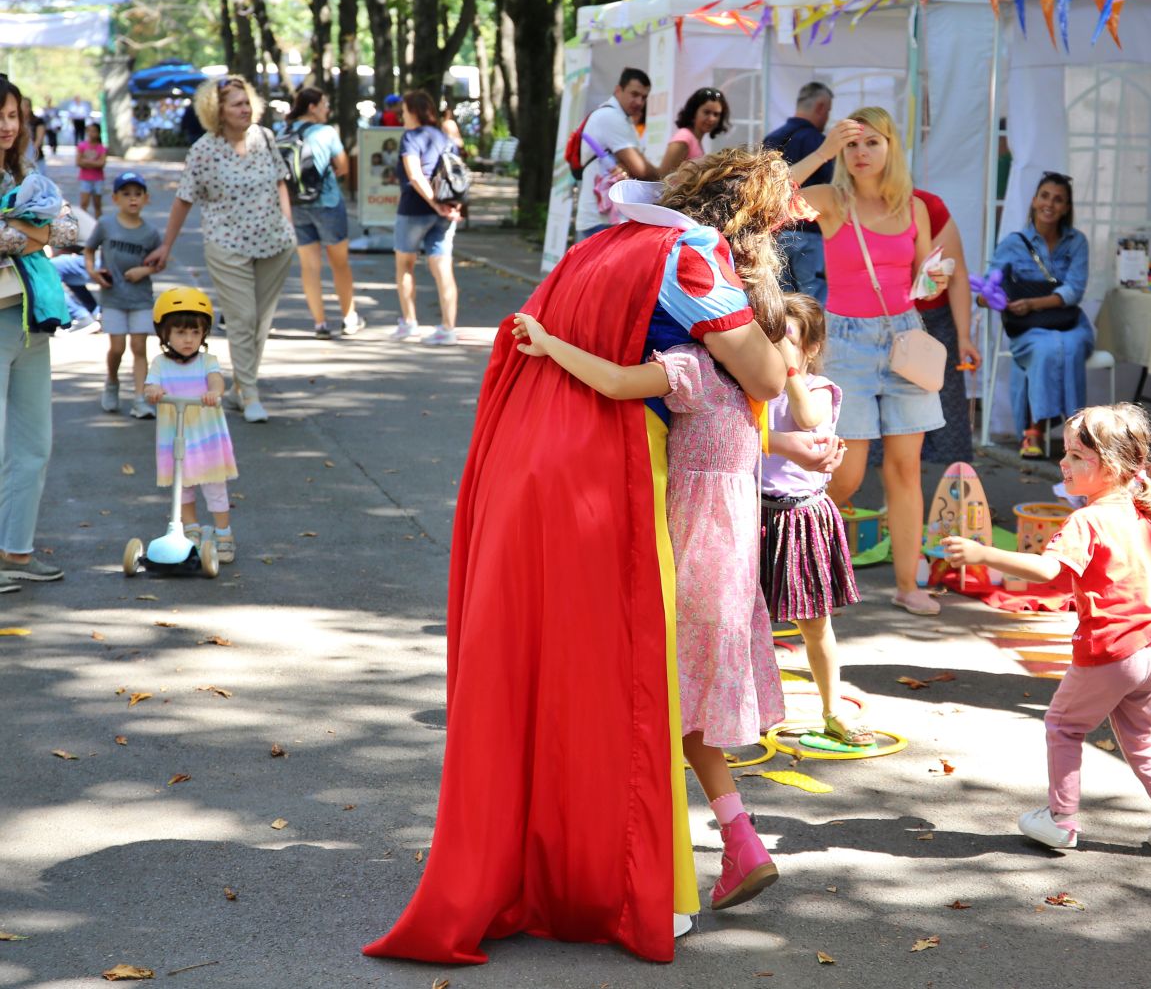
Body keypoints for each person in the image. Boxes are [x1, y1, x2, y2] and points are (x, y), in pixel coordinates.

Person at [361, 150, 840, 965]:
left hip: (568, 480)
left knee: (611, 690)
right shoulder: (690, 257)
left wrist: (548, 346)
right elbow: (759, 375)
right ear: (743, 224)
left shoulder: (607, 244)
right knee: (644, 696)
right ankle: (643, 879)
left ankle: (657, 858)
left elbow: (674, 387)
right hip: (650, 506)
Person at [508, 264, 788, 913]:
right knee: (689, 719)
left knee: (663, 708)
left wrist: (550, 343)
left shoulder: (690, 366)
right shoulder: (751, 394)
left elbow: (613, 383)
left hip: (694, 558)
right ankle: (739, 841)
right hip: (734, 561)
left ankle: (695, 852)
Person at [943, 403, 1151, 859]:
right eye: (1064, 452)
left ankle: (1061, 820)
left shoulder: (1087, 520)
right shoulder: (1138, 510)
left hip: (1112, 650)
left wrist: (984, 554)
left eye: (1077, 456)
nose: (1063, 463)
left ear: (1114, 465)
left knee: (1063, 726)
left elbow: (1047, 570)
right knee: (1142, 741)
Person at [789, 106, 947, 617]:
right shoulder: (831, 201)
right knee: (846, 475)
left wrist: (933, 282)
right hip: (848, 343)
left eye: (871, 142)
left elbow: (924, 277)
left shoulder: (914, 208)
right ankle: (797, 559)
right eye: (852, 144)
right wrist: (821, 151)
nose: (861, 153)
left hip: (905, 338)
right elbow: (763, 203)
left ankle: (907, 584)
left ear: (891, 147)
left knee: (905, 469)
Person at [145, 74, 297, 425]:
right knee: (242, 318)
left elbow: (280, 182)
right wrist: (166, 245)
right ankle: (252, 393)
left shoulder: (265, 138)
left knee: (260, 321)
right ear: (218, 111)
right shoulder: (204, 150)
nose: (245, 109)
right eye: (237, 104)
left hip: (274, 243)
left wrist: (289, 227)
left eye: (247, 102)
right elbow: (183, 199)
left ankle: (239, 388)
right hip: (227, 246)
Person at [760, 293, 867, 744]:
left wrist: (789, 373)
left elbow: (807, 419)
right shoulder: (753, 390)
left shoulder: (819, 390)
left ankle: (832, 708)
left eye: (788, 340)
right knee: (747, 621)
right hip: (754, 511)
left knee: (814, 623)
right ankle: (751, 708)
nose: (778, 348)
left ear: (810, 348)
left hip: (801, 518)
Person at [0, 74, 78, 585]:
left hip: (30, 315)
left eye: (12, 116)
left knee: (34, 443)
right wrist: (36, 233)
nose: (6, 127)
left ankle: (16, 554)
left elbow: (72, 230)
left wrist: (21, 232)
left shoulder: (27, 170)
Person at [988, 172, 1093, 459]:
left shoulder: (1077, 242)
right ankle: (1036, 430)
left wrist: (1033, 303)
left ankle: (1068, 431)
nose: (1050, 204)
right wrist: (990, 296)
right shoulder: (1013, 243)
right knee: (1047, 348)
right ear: (1034, 201)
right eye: (1045, 196)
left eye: (1059, 200)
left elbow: (1075, 290)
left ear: (1067, 208)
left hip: (1070, 323)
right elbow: (991, 283)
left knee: (1067, 345)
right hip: (1028, 327)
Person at [143, 287, 238, 565]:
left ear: (204, 334)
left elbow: (217, 380)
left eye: (195, 333)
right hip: (176, 436)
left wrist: (214, 393)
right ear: (165, 334)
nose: (188, 339)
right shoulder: (160, 363)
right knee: (181, 487)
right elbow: (150, 384)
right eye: (181, 333)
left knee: (214, 486)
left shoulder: (208, 361)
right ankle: (192, 529)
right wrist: (152, 392)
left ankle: (223, 533)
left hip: (205, 436)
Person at [284, 87, 362, 338]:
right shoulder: (327, 132)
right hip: (327, 202)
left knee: (309, 267)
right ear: (312, 107)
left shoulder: (282, 131)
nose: (328, 109)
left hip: (296, 205)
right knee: (339, 264)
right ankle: (349, 318)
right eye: (325, 104)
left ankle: (320, 323)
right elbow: (343, 167)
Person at [911, 190, 979, 463]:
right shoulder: (846, 203)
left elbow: (958, 274)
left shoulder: (927, 204)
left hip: (935, 320)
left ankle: (951, 495)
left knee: (946, 411)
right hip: (875, 319)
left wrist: (964, 337)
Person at [86, 171, 162, 418]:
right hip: (113, 297)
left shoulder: (150, 233)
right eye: (126, 194)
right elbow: (89, 249)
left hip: (140, 297)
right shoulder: (106, 224)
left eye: (138, 194)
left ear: (146, 199)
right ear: (115, 197)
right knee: (117, 348)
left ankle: (140, 398)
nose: (133, 199)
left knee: (139, 347)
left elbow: (160, 261)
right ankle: (112, 382)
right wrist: (93, 272)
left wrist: (145, 269)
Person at [389, 89, 460, 346]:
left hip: (414, 209)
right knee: (443, 268)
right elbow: (457, 174)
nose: (402, 116)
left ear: (414, 112)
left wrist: (434, 203)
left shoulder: (411, 137)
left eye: (404, 111)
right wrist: (449, 205)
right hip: (445, 210)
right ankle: (448, 328)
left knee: (404, 265)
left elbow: (415, 175)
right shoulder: (445, 137)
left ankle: (409, 323)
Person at [764, 81, 835, 301]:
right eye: (828, 111)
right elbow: (830, 184)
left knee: (779, 299)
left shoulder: (771, 139)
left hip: (775, 232)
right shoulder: (820, 143)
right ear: (821, 107)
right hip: (809, 233)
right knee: (812, 300)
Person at [574, 67, 654, 240]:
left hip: (602, 218)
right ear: (618, 90)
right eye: (634, 94)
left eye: (644, 97)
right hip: (601, 221)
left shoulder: (617, 117)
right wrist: (668, 179)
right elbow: (641, 170)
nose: (639, 101)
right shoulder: (611, 117)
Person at [658, 87, 727, 175]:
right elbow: (663, 177)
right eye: (707, 112)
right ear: (694, 112)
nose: (711, 118)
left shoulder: (695, 139)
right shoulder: (684, 137)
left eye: (716, 114)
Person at [76, 121, 108, 217]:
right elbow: (78, 162)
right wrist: (95, 163)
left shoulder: (101, 147)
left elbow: (102, 163)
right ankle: (83, 224)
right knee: (84, 203)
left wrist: (86, 162)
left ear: (98, 133)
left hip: (98, 179)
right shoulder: (82, 145)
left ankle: (98, 224)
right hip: (85, 178)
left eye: (94, 131)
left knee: (97, 204)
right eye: (89, 131)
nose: (91, 133)